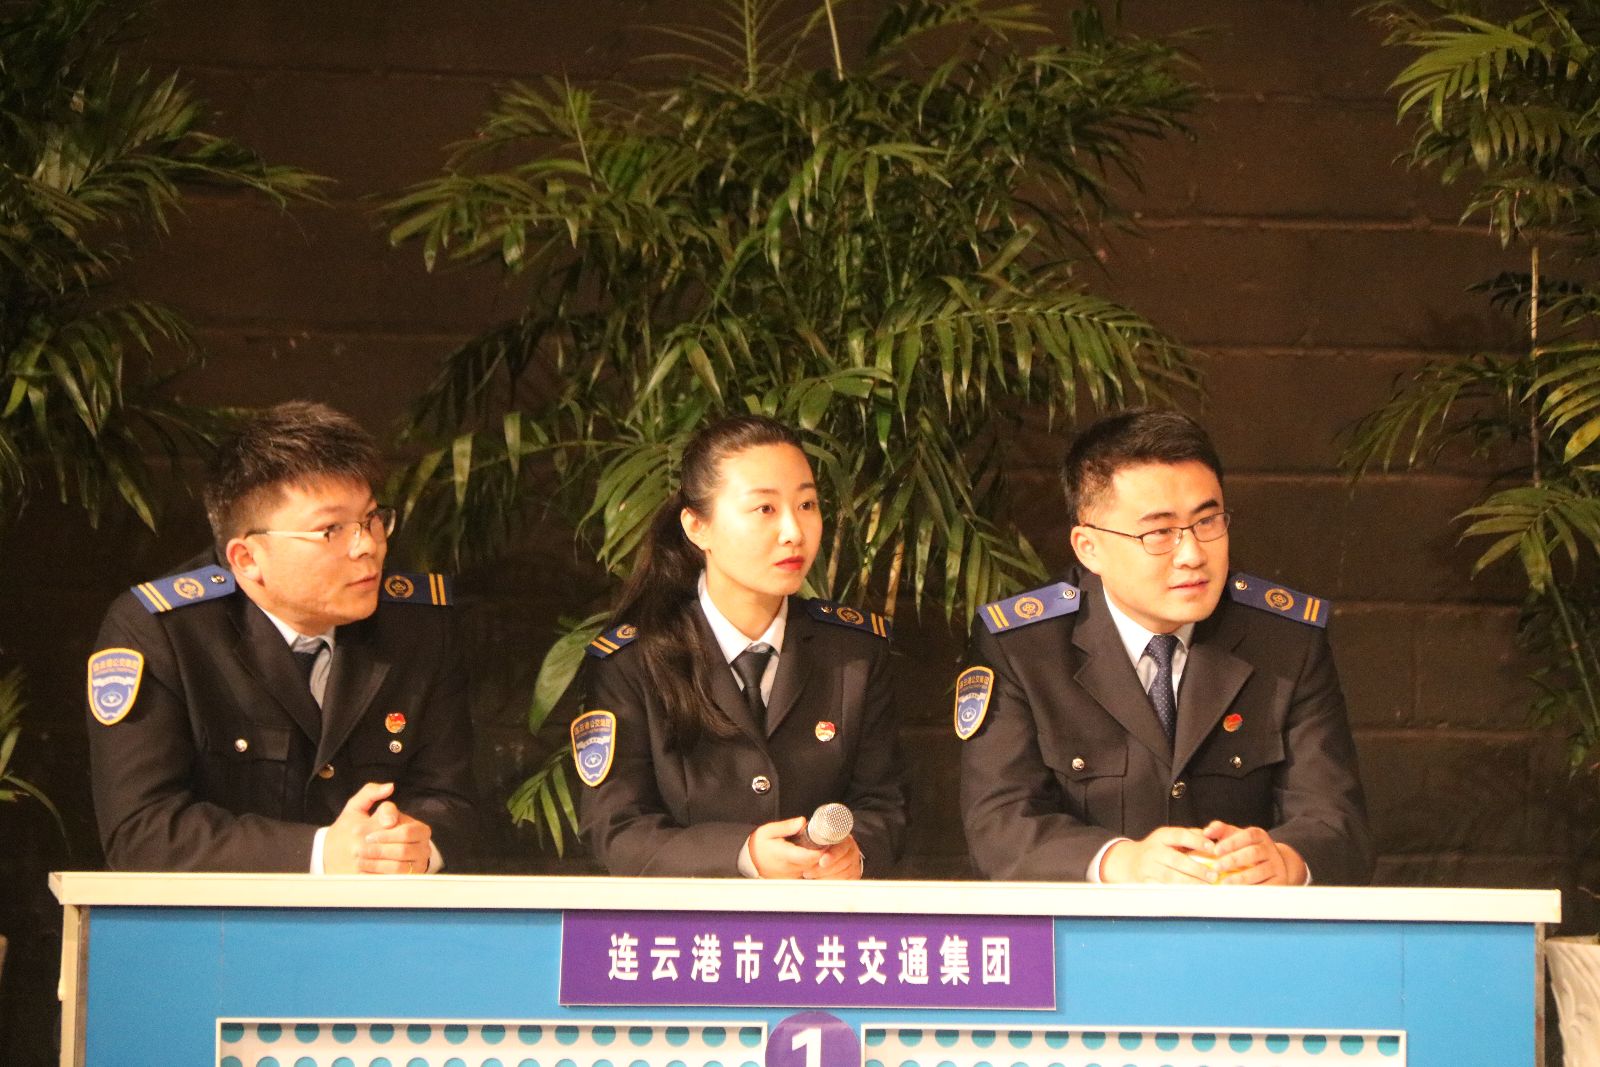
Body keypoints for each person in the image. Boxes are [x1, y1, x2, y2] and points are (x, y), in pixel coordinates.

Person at [956, 408, 1373, 885]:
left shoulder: (1285, 641)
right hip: (1090, 928)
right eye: (1159, 532)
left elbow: (1339, 823)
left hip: (1243, 922)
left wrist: (1286, 860)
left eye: (1208, 521)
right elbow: (999, 825)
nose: (1193, 554)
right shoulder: (1025, 647)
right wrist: (1120, 862)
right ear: (1089, 547)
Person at [86, 401, 480, 873]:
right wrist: (320, 853)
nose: (368, 546)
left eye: (373, 518)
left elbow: (451, 799)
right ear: (247, 559)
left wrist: (415, 847)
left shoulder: (417, 626)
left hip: (382, 913)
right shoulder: (162, 631)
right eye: (331, 530)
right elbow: (142, 831)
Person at [573, 415, 907, 877]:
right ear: (697, 527)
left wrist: (856, 851)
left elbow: (884, 805)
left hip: (822, 918)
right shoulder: (634, 661)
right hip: (688, 921)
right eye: (765, 509)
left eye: (807, 504)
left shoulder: (853, 654)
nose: (793, 531)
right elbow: (618, 828)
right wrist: (742, 854)